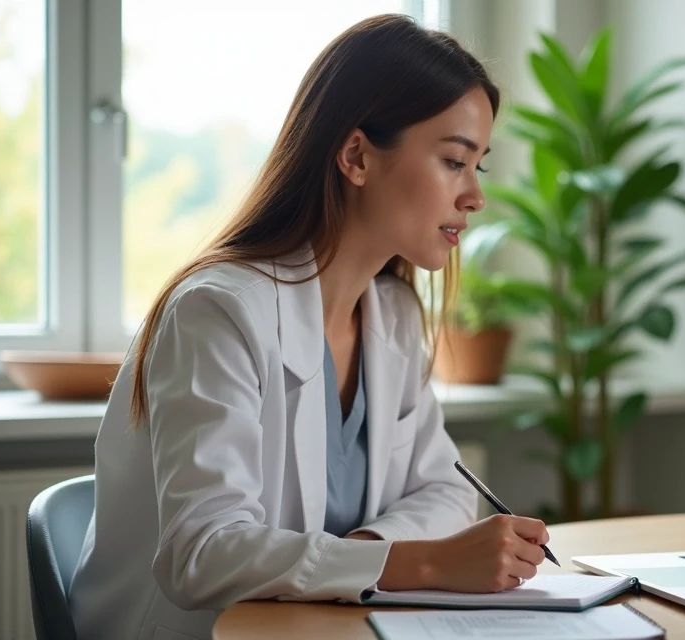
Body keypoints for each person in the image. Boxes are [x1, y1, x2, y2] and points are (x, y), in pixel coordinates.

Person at [68, 15, 551, 640]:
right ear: (356, 156)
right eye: (454, 160)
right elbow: (202, 553)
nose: (475, 196)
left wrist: (366, 552)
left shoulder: (395, 316)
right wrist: (421, 561)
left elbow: (444, 488)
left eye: (477, 166)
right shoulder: (218, 311)